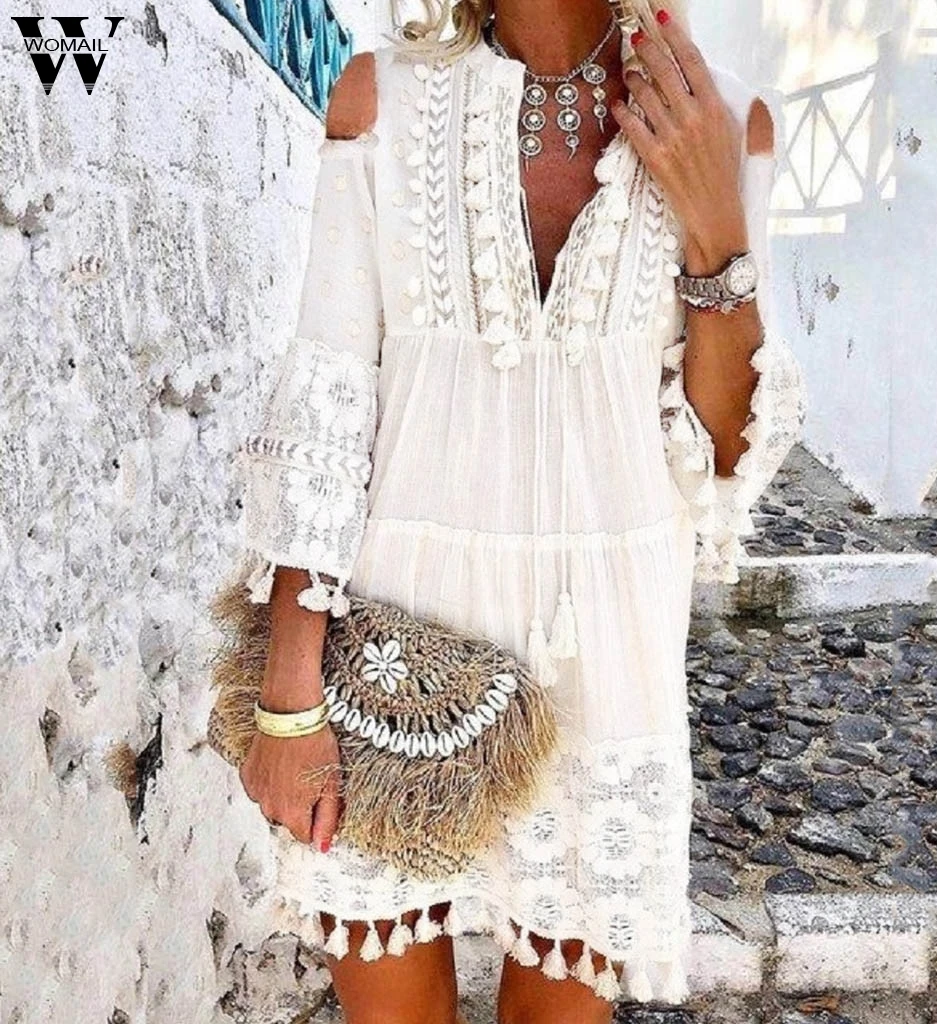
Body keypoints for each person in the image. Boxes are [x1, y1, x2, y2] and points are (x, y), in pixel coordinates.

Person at [232, 1, 806, 1021]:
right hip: (392, 672)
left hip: (605, 682)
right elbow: (326, 410)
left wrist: (717, 223)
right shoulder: (381, 102)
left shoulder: (723, 124)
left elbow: (721, 461)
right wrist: (287, 698)